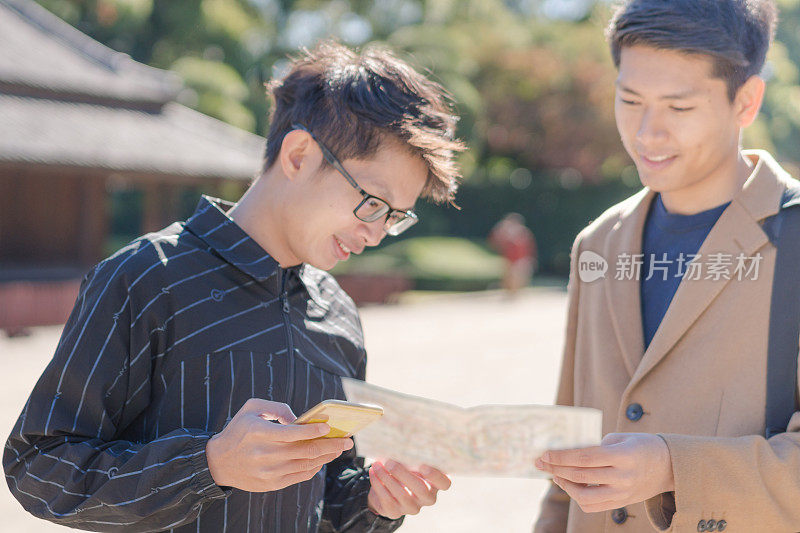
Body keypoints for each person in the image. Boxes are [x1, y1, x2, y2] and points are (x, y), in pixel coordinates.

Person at [4, 41, 464, 532]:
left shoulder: (338, 312)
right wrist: (211, 465)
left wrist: (373, 500)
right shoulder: (147, 277)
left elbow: (326, 497)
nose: (375, 233)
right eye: (373, 202)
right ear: (300, 154)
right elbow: (38, 467)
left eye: (395, 217)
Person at [533, 1, 800, 531]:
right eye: (630, 100)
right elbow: (569, 445)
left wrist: (676, 468)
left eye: (678, 108)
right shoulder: (598, 243)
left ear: (746, 102)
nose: (647, 133)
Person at [488, 213, 538, 296]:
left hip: (520, 261)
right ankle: (512, 294)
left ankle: (514, 294)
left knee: (517, 278)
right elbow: (495, 242)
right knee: (511, 279)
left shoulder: (523, 233)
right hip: (511, 261)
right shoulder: (505, 233)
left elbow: (528, 248)